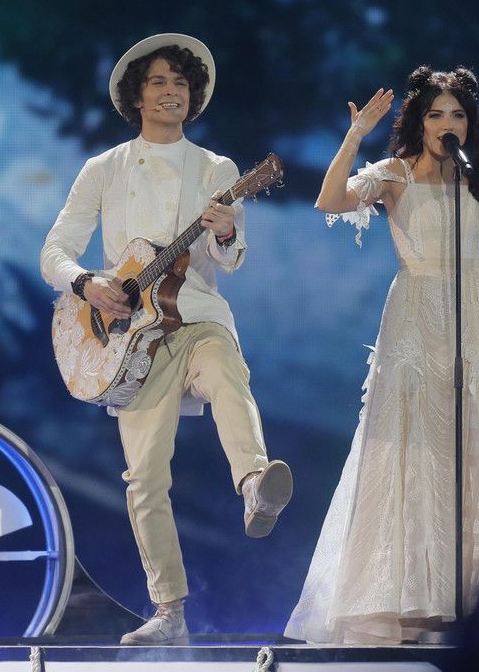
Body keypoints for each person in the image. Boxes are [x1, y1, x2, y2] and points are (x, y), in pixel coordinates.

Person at [284, 65, 479, 645]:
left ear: (470, 123)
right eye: (437, 113)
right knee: (411, 451)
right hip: (414, 322)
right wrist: (354, 136)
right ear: (419, 121)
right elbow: (330, 198)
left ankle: (466, 599)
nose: (448, 123)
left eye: (458, 115)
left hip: (472, 323)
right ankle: (407, 601)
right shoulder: (395, 173)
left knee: (472, 453)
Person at [40, 33, 292, 646]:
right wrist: (88, 284)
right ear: (137, 95)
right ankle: (169, 614)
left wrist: (226, 232)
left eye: (180, 82)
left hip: (196, 317)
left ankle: (254, 484)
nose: (170, 91)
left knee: (228, 373)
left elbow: (230, 260)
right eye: (158, 82)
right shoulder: (103, 169)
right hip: (127, 338)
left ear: (192, 96)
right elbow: (55, 251)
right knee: (145, 479)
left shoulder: (217, 170)